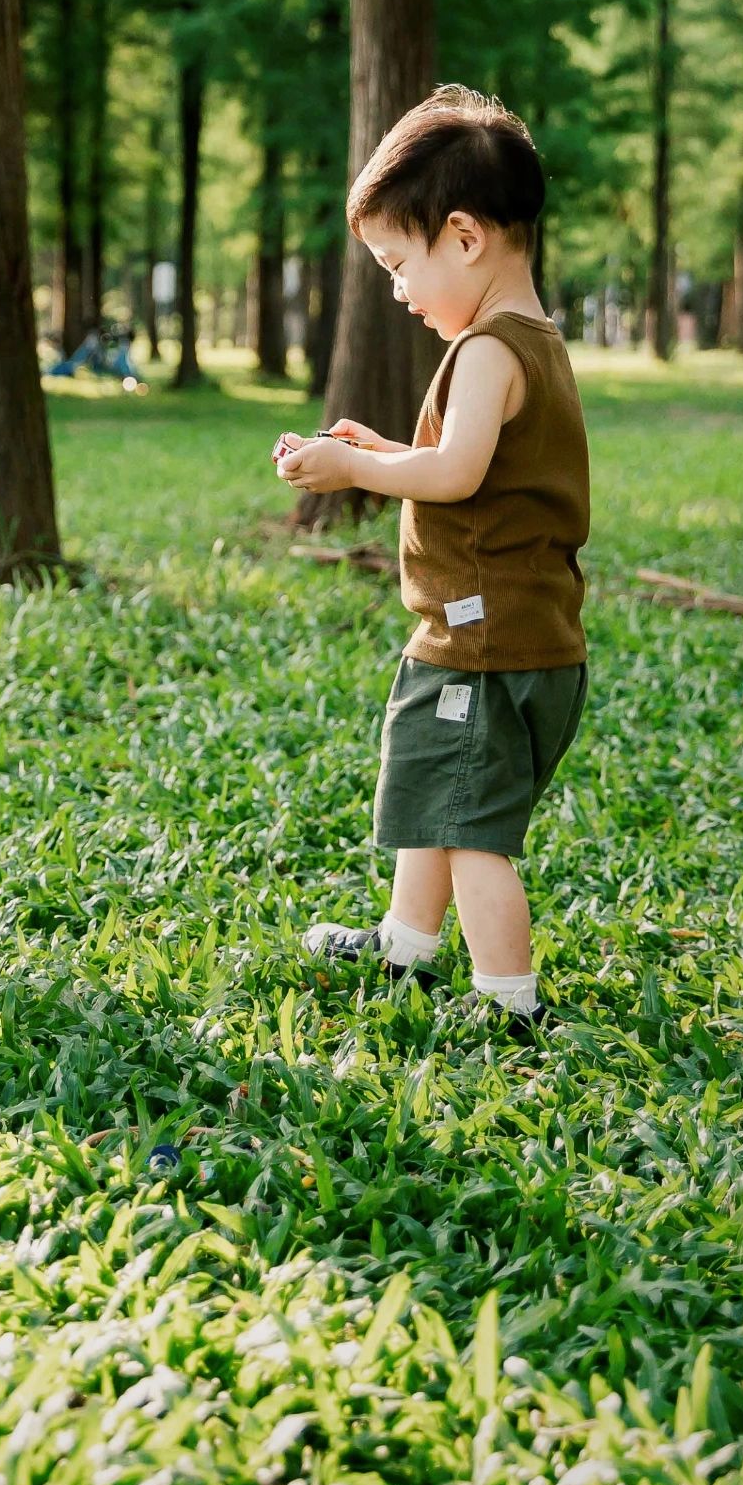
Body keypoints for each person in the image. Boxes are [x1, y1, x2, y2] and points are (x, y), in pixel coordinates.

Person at [274, 86, 589, 1038]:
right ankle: (405, 944)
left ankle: (509, 1005)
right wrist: (380, 447)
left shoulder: (490, 350)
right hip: (500, 636)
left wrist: (354, 467)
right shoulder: (528, 340)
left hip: (484, 644)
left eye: (398, 264)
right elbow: (469, 466)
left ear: (464, 237)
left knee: (471, 831)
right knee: (431, 794)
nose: (398, 289)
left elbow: (453, 474)